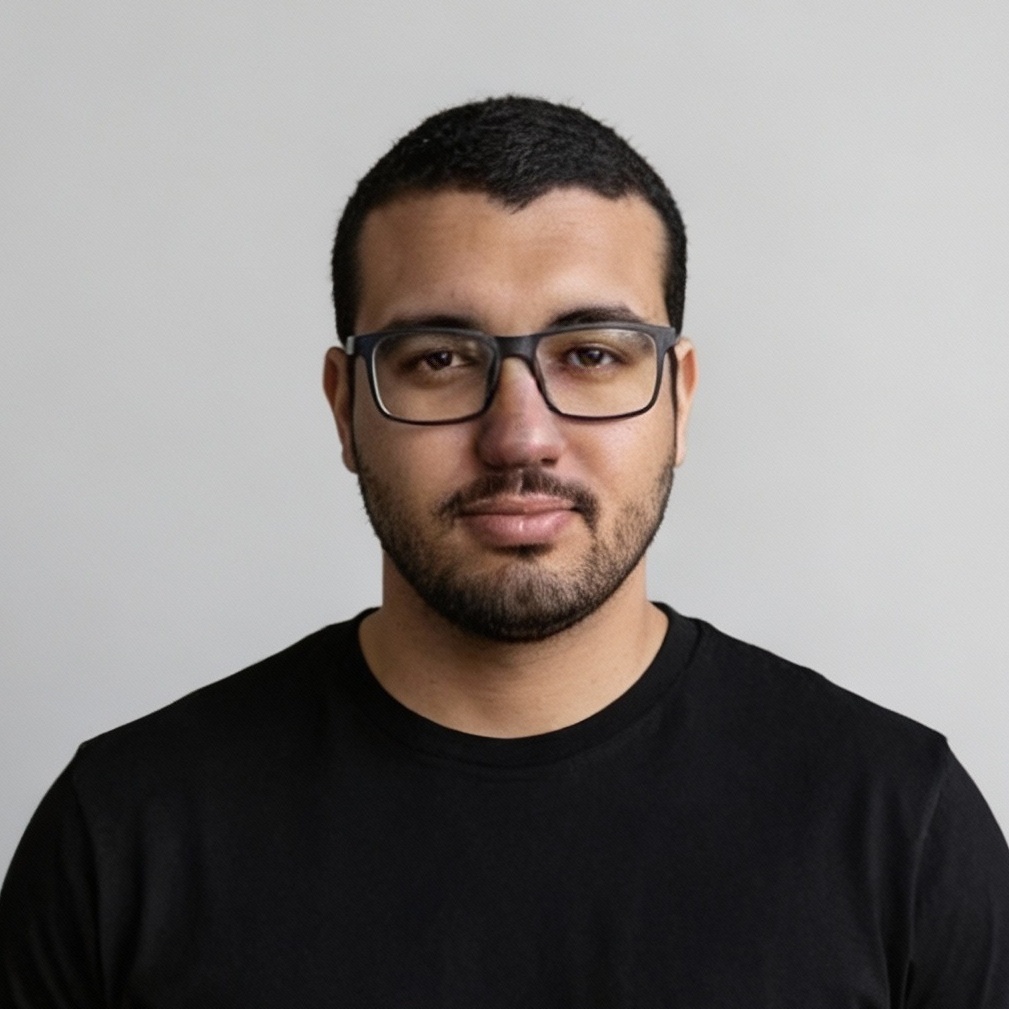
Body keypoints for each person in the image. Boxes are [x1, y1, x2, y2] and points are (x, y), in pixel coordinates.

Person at [2, 96, 1007, 1008]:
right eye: (440, 359)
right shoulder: (123, 833)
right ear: (346, 408)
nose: (520, 436)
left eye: (592, 353)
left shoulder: (897, 823)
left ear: (679, 398)